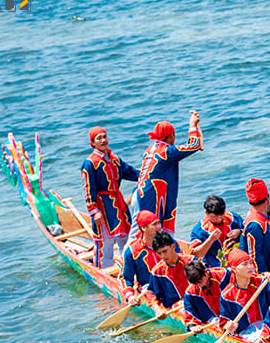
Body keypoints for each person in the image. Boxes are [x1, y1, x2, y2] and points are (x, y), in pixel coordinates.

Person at [132, 111, 203, 235]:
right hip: (151, 195)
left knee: (137, 231)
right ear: (171, 136)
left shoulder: (150, 149)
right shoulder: (167, 151)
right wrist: (192, 124)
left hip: (139, 193)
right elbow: (195, 145)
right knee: (145, 233)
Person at [81, 126, 140, 269]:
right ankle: (103, 271)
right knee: (106, 242)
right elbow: (88, 189)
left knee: (125, 238)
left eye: (104, 136)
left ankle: (126, 270)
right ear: (93, 143)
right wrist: (94, 211)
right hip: (103, 206)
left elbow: (132, 173)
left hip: (118, 204)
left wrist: (150, 172)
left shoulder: (115, 159)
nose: (103, 140)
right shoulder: (90, 163)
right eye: (99, 138)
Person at [219, 248, 270, 332]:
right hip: (245, 333)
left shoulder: (262, 281)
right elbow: (224, 322)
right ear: (234, 269)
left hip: (268, 328)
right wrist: (228, 326)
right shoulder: (226, 295)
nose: (250, 267)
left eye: (250, 263)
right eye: (245, 264)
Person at [240, 178, 270, 275]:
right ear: (267, 199)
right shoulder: (255, 224)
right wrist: (263, 276)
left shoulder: (259, 214)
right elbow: (254, 256)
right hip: (267, 278)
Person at [190, 195, 242, 268]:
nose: (219, 219)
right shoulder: (200, 229)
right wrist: (210, 240)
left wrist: (239, 232)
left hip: (237, 262)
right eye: (214, 217)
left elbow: (249, 232)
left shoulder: (233, 218)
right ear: (206, 213)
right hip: (215, 268)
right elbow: (195, 254)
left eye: (221, 215)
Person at [148, 230, 193, 311]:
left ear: (173, 247)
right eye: (159, 253)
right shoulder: (156, 272)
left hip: (195, 299)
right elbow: (150, 292)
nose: (163, 256)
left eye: (165, 251)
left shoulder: (190, 261)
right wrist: (157, 309)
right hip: (176, 306)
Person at [121, 210, 162, 300]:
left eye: (159, 223)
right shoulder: (132, 251)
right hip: (148, 289)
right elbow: (125, 278)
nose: (159, 227)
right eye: (154, 224)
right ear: (144, 228)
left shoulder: (169, 243)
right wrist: (130, 296)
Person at [182, 258, 230, 327]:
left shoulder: (224, 275)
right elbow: (189, 313)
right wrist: (192, 326)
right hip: (214, 320)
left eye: (200, 280)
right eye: (195, 282)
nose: (198, 284)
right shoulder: (190, 292)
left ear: (206, 272)